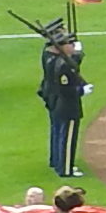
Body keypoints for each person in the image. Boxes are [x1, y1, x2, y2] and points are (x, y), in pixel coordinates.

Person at [38, 22, 88, 178]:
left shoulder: (52, 56)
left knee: (58, 132)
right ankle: (65, 168)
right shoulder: (62, 63)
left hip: (54, 98)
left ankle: (57, 161)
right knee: (66, 136)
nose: (72, 46)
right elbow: (66, 83)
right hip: (65, 103)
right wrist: (81, 90)